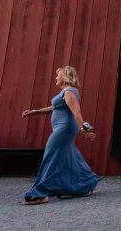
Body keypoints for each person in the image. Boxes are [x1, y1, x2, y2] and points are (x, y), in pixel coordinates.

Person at [21, 66, 99, 205]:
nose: (56, 78)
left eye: (58, 75)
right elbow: (54, 108)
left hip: (64, 130)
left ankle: (41, 193)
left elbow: (77, 113)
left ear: (65, 77)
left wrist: (85, 131)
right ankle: (87, 183)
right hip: (63, 129)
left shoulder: (69, 92)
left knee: (50, 156)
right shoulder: (65, 92)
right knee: (71, 157)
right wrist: (34, 111)